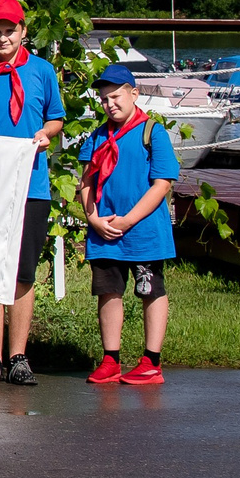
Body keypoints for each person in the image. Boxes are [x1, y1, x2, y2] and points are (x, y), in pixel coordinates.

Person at [0, 0, 65, 387]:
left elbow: (55, 117)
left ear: (23, 31)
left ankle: (19, 355)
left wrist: (45, 134)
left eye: (10, 31)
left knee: (22, 272)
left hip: (31, 185)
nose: (2, 38)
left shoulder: (42, 71)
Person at [79, 62, 178, 386]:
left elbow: (162, 183)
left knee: (150, 289)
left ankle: (151, 360)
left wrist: (129, 220)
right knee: (108, 292)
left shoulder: (153, 132)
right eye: (105, 99)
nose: (110, 104)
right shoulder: (97, 136)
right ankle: (111, 358)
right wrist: (93, 218)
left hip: (144, 231)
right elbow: (86, 182)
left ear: (134, 93)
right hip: (106, 232)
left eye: (117, 96)